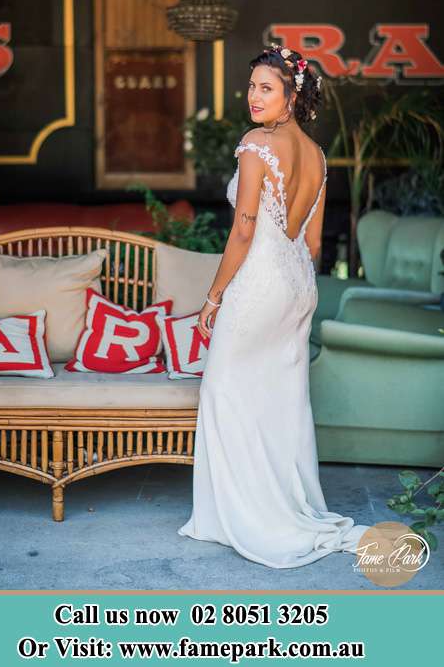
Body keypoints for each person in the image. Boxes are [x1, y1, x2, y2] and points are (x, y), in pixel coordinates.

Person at [177, 44, 370, 568]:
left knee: (226, 392)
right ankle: (286, 505)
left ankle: (244, 517)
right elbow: (310, 243)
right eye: (251, 86)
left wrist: (213, 296)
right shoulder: (317, 154)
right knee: (280, 398)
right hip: (296, 283)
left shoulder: (256, 145)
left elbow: (243, 230)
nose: (254, 97)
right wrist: (292, 284)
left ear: (291, 96)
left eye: (266, 87)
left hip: (261, 280)